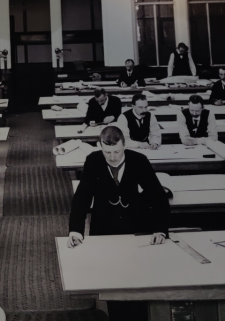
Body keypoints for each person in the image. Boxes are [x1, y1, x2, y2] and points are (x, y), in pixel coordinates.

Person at [67, 125, 170, 321]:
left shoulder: (139, 161)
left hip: (138, 229)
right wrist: (75, 231)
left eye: (117, 151)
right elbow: (82, 197)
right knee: (113, 285)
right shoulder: (93, 160)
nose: (112, 157)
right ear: (99, 146)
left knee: (140, 283)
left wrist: (160, 229)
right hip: (105, 230)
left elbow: (159, 198)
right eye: (107, 152)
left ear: (124, 145)